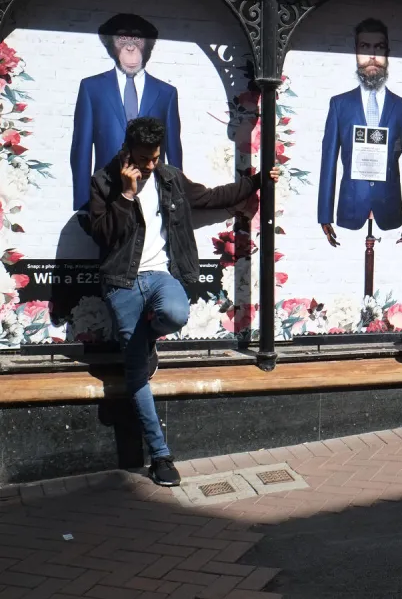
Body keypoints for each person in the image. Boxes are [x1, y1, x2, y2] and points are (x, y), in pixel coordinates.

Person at [89, 116, 280, 486]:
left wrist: (256, 181)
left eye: (155, 157)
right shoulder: (104, 182)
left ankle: (146, 342)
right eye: (143, 158)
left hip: (162, 276)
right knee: (136, 376)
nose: (149, 165)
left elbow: (210, 198)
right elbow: (104, 235)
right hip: (121, 283)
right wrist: (126, 195)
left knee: (176, 314)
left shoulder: (169, 177)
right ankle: (160, 456)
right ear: (128, 151)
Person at [318, 18, 402, 247]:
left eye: (379, 48)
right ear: (355, 52)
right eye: (365, 47)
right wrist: (325, 213)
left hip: (389, 205)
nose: (372, 55)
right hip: (352, 202)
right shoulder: (339, 105)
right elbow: (329, 162)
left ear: (387, 53)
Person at [71, 13, 182, 211]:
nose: (130, 47)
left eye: (136, 39)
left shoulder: (166, 93)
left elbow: (173, 149)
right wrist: (82, 203)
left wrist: (176, 197)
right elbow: (81, 150)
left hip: (151, 189)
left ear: (148, 45)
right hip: (106, 190)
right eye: (122, 39)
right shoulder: (92, 88)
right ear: (110, 45)